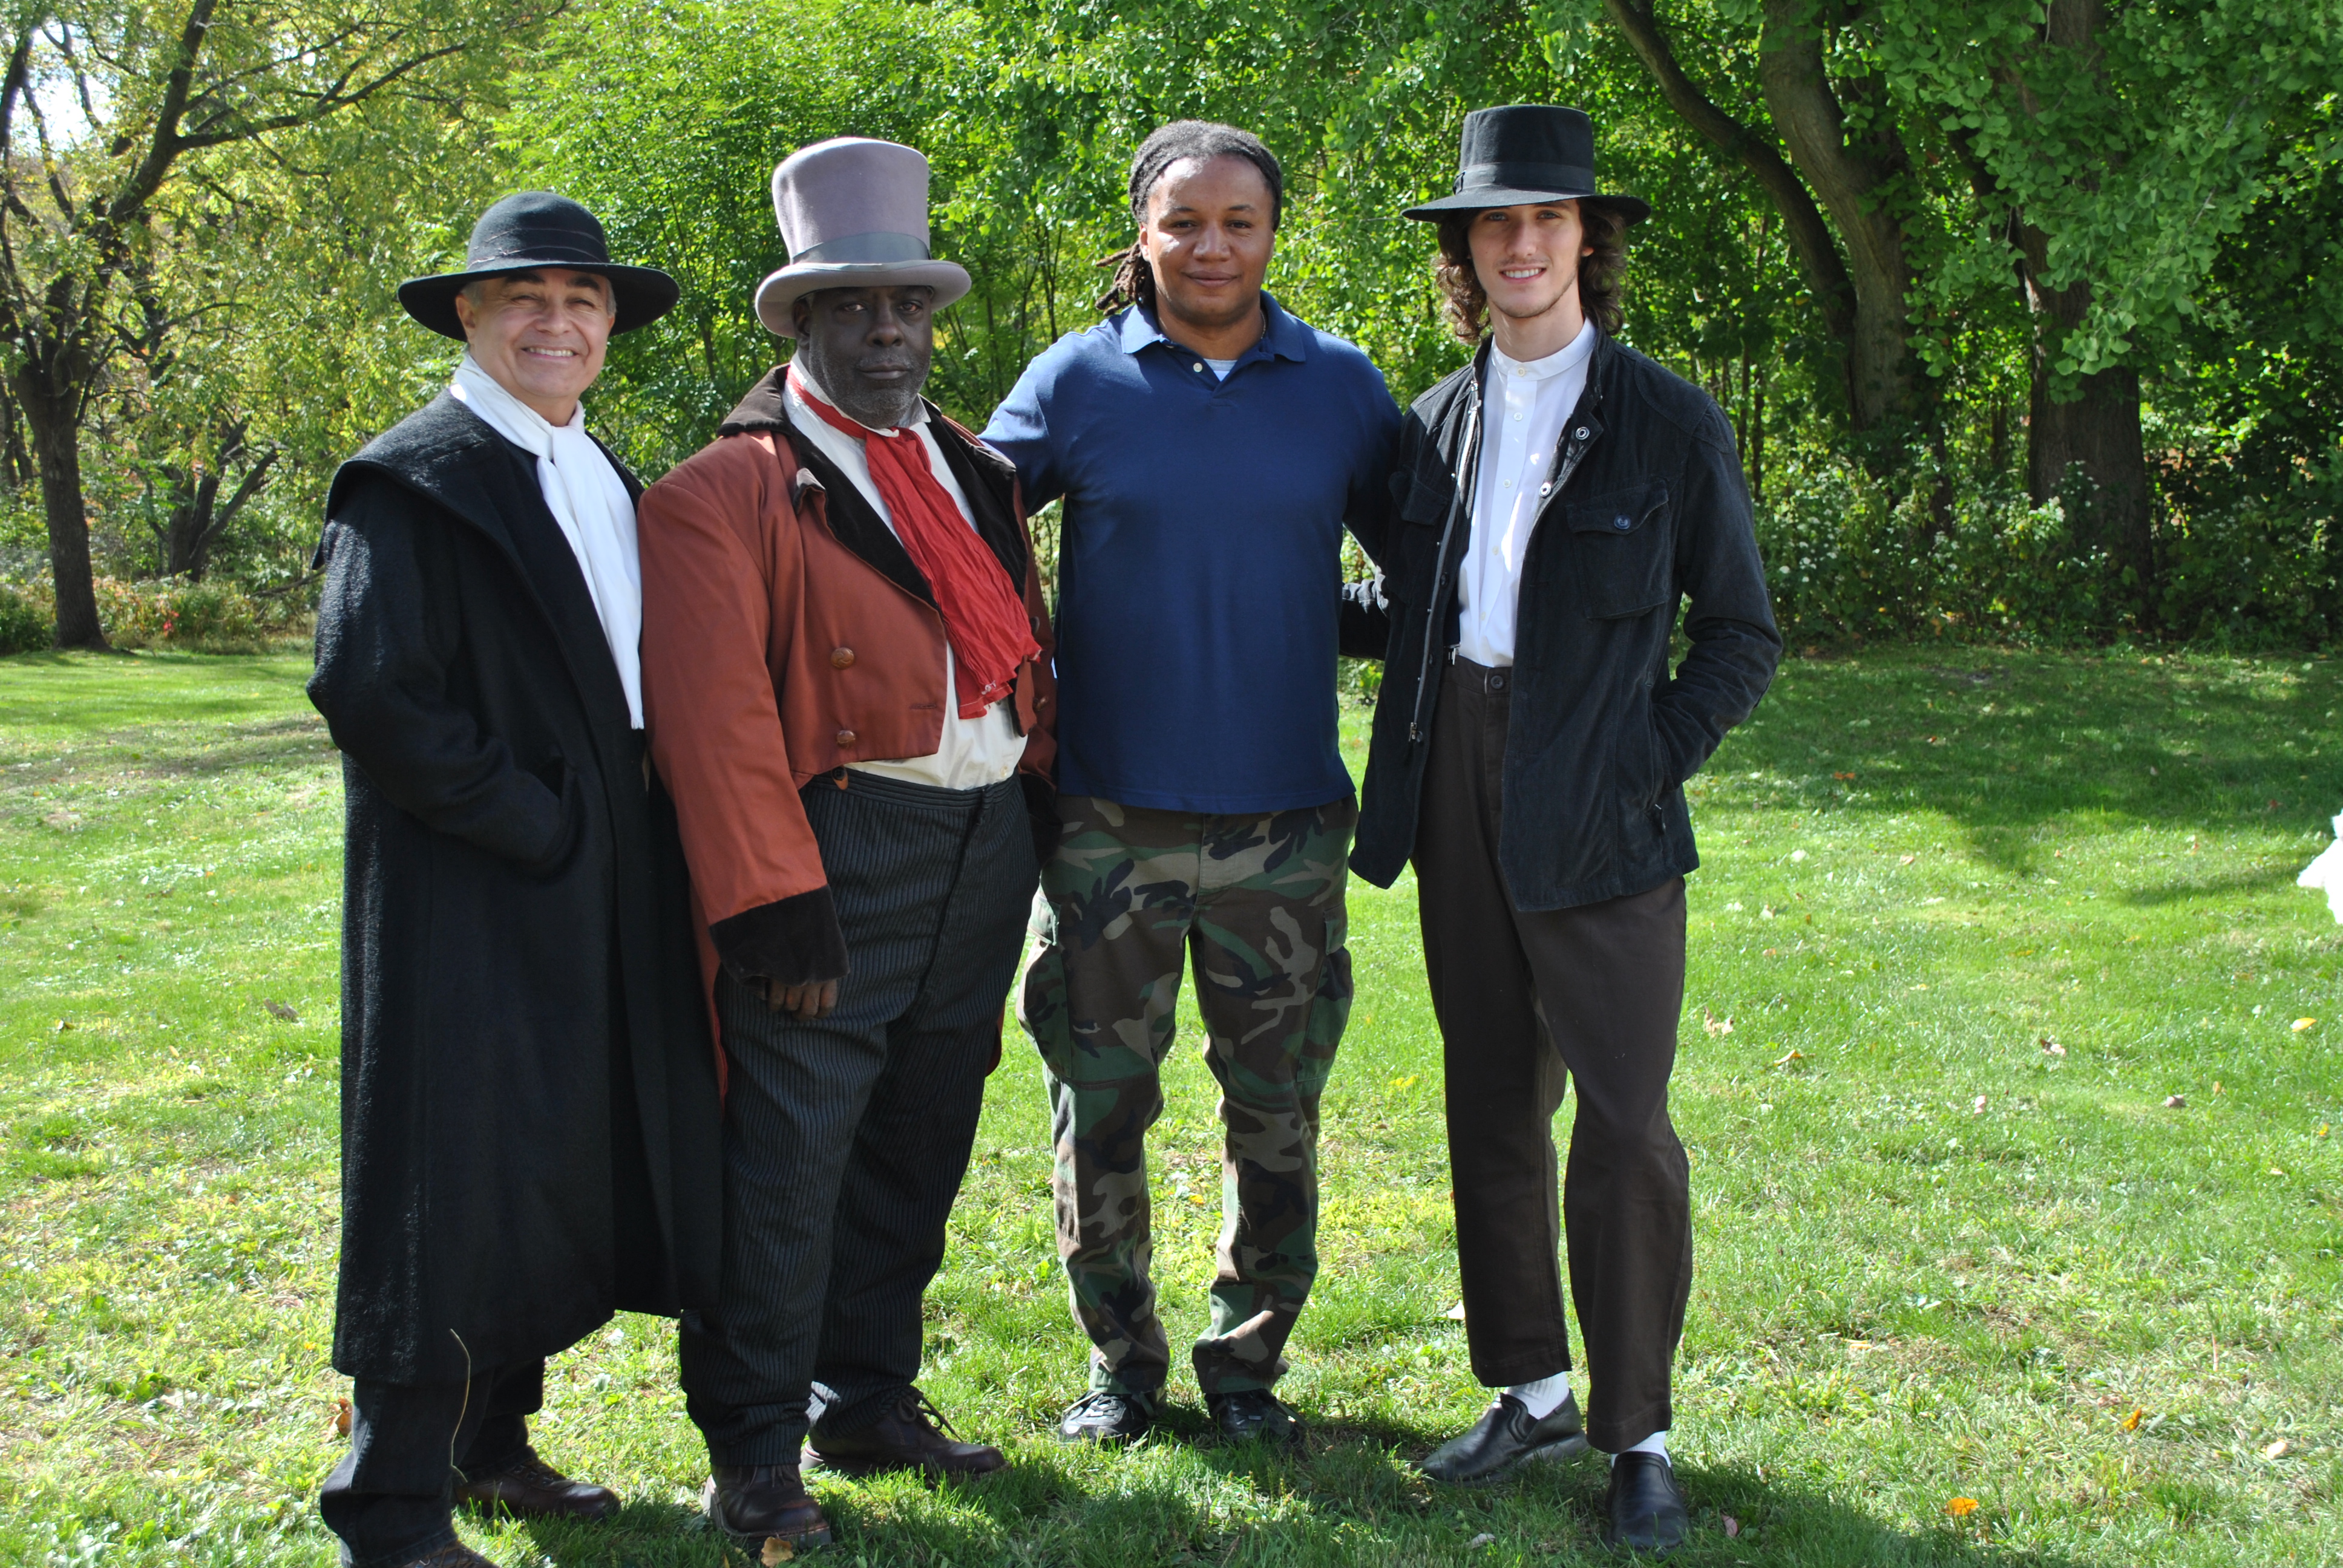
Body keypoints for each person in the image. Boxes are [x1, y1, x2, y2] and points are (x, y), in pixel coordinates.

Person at [1343, 106, 1780, 1553]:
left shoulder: (1665, 418)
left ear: (1588, 239)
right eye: (1493, 224)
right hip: (1454, 777)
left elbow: (1740, 633)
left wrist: (1643, 765)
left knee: (1626, 1126)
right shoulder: (1434, 421)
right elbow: (1408, 611)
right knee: (1488, 1099)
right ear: (1466, 254)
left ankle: (1636, 1433)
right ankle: (1527, 1386)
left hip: (1599, 796)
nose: (1519, 244)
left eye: (1546, 219)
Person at [635, 138, 1058, 1549]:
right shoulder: (722, 492)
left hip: (981, 845)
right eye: (856, 307)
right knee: (792, 1156)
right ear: (801, 322)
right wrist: (773, 903)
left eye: (910, 307)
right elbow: (714, 722)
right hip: (835, 855)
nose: (890, 332)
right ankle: (752, 1451)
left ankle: (868, 1394)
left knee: (919, 1139)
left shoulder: (973, 471)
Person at [307, 192, 721, 1568]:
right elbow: (372, 689)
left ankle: (492, 1448)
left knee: (550, 1159)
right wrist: (537, 824)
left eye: (583, 301)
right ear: (470, 318)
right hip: (466, 898)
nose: (559, 322)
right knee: (452, 1173)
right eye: (527, 300)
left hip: (593, 889)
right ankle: (390, 1505)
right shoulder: (413, 478)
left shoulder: (594, 466)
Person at [983, 120, 1401, 1448]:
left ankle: (1246, 1366)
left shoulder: (1338, 387)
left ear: (1275, 234)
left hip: (1284, 826)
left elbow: (1423, 568)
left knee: (1273, 1111)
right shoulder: (1075, 382)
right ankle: (1120, 1362)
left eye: (1240, 221)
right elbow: (964, 540)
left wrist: (1307, 606)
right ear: (1141, 233)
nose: (1212, 246)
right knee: (1098, 1107)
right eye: (1184, 222)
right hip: (1108, 822)